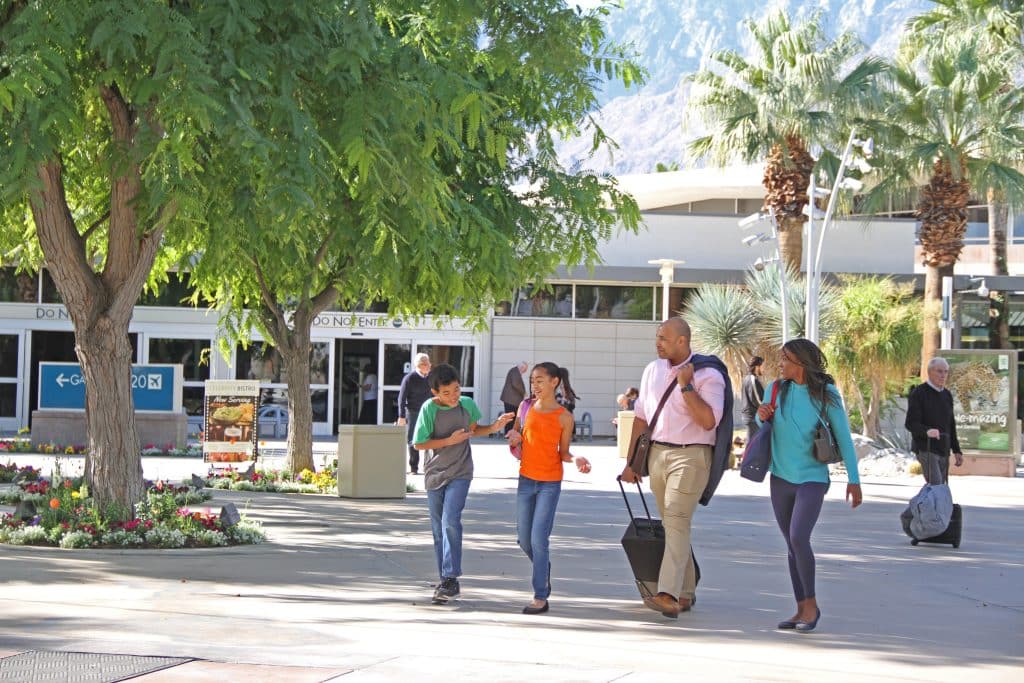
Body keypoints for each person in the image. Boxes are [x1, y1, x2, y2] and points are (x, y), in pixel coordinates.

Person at [620, 317, 726, 618]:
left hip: (692, 456)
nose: (658, 343)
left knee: (677, 518)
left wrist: (687, 386)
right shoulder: (651, 370)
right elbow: (640, 418)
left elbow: (708, 421)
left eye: (664, 338)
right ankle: (686, 591)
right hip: (657, 454)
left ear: (683, 341)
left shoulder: (708, 375)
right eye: (657, 337)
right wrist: (631, 463)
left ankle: (667, 593)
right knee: (672, 524)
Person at [755, 338, 862, 633]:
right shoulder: (776, 389)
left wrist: (854, 480)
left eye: (786, 359)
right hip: (781, 476)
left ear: (801, 362)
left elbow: (843, 437)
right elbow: (761, 418)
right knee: (791, 543)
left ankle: (811, 607)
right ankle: (800, 607)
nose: (781, 364)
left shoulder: (826, 394)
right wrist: (761, 413)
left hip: (813, 478)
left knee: (799, 537)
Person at [413, 363, 514, 604]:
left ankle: (450, 578)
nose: (453, 396)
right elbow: (419, 444)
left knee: (450, 520)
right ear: (435, 392)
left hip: (461, 472)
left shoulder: (467, 404)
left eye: (456, 390)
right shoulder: (429, 409)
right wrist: (449, 440)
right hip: (435, 474)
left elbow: (474, 430)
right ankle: (446, 581)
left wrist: (495, 427)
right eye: (446, 392)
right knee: (438, 531)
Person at [507, 363, 591, 615]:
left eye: (540, 380)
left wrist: (576, 458)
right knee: (524, 539)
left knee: (538, 540)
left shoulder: (564, 416)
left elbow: (563, 452)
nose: (535, 385)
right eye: (533, 380)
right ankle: (543, 571)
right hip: (526, 480)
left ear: (554, 382)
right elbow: (517, 434)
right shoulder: (525, 407)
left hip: (550, 483)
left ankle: (540, 596)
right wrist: (514, 437)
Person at [905, 357, 964, 485]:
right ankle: (923, 505)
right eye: (939, 371)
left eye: (946, 372)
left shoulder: (947, 395)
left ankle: (926, 505)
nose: (943, 375)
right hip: (926, 448)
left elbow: (950, 424)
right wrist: (927, 431)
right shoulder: (919, 393)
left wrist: (957, 450)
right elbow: (910, 423)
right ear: (930, 372)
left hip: (944, 447)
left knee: (941, 487)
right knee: (936, 485)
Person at [397, 353, 433, 474]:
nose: (430, 365)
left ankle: (428, 466)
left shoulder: (430, 378)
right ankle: (414, 467)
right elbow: (401, 398)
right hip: (413, 412)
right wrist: (401, 416)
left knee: (430, 438)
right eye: (427, 363)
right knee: (413, 439)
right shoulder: (409, 378)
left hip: (428, 412)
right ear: (420, 365)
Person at [742, 356, 765, 444]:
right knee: (752, 445)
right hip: (753, 417)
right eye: (762, 366)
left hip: (752, 417)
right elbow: (757, 399)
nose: (763, 369)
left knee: (752, 444)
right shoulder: (752, 379)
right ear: (757, 366)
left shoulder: (748, 378)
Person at [499, 362, 528, 434]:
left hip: (512, 400)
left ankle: (510, 433)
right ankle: (508, 433)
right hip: (511, 400)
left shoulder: (514, 371)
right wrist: (524, 392)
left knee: (512, 417)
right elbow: (516, 384)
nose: (524, 372)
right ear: (522, 367)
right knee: (511, 417)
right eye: (524, 370)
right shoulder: (515, 372)